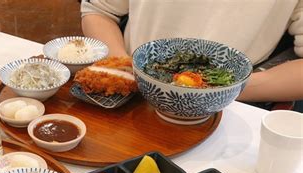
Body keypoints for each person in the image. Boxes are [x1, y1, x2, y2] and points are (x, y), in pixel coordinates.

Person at [80, 0, 303, 102]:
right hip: (132, 92)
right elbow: (99, 10)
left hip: (232, 105)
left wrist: (227, 91)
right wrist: (123, 69)